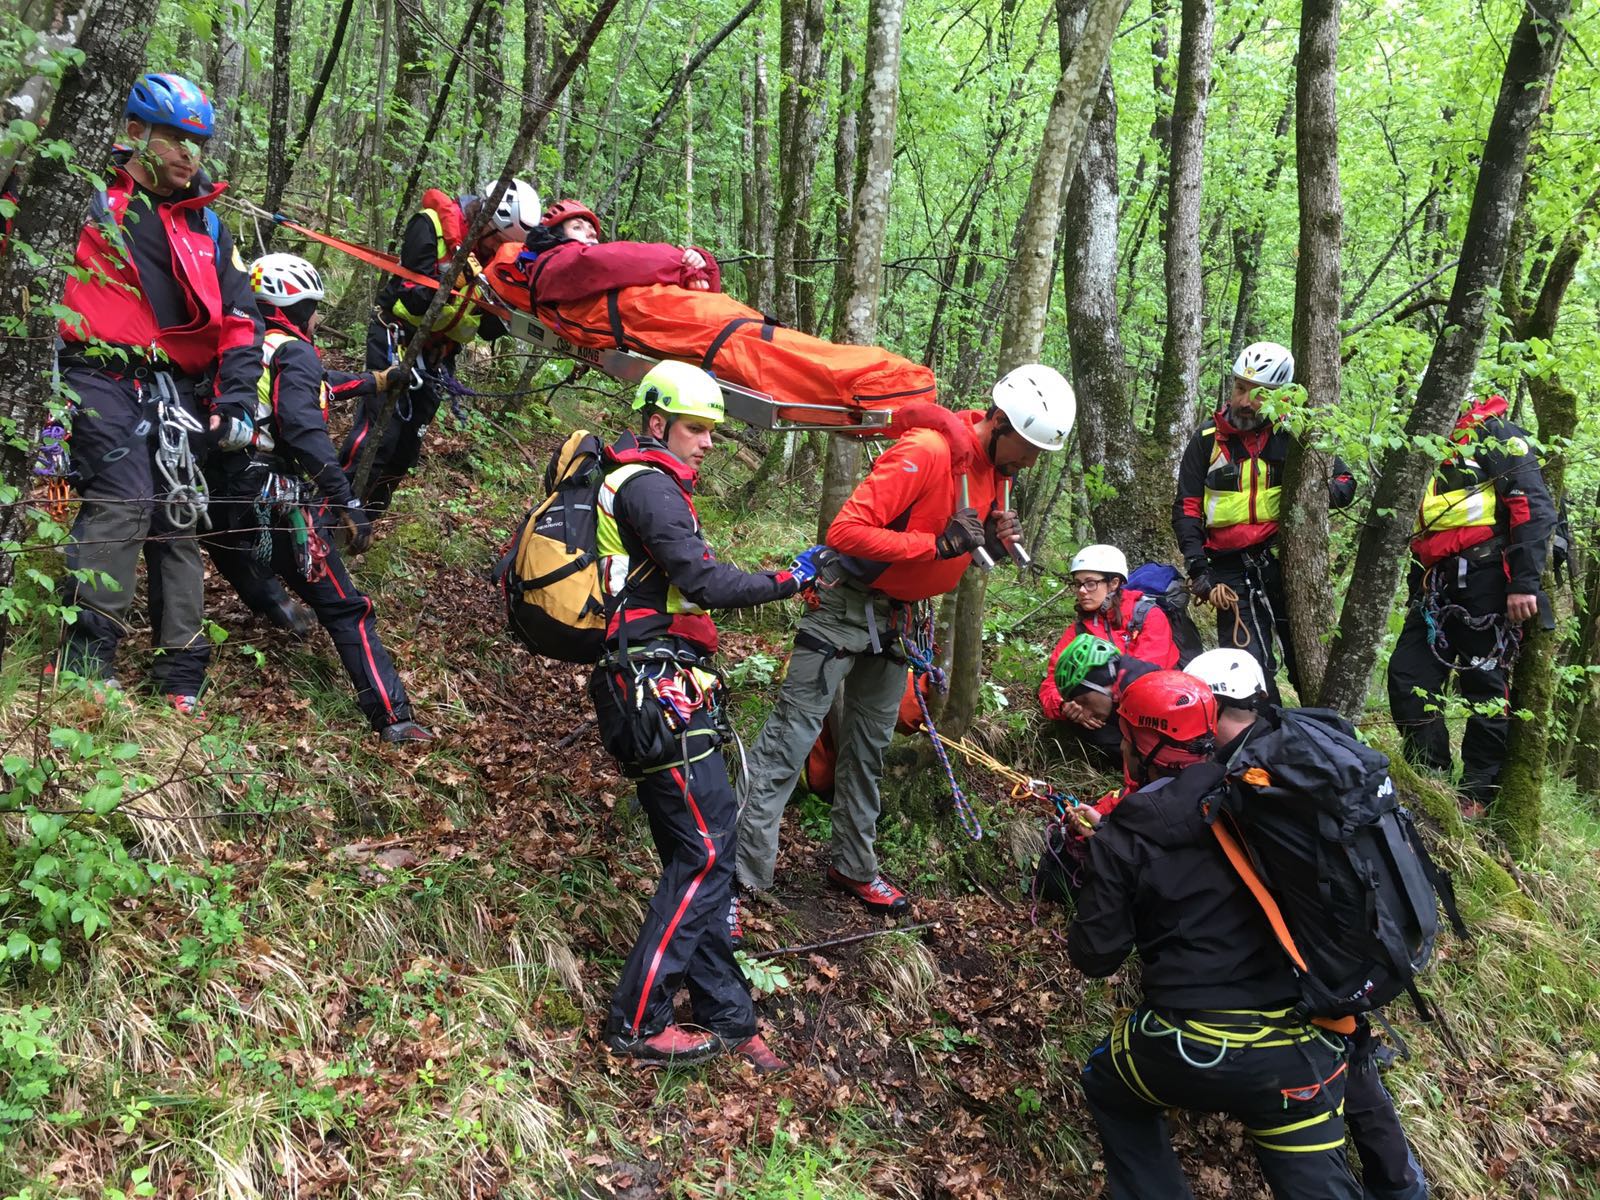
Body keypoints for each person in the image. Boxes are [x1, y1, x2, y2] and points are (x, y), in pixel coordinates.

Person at [733, 367, 1075, 922]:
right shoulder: (928, 451)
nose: (1032, 461)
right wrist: (937, 544)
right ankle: (741, 874)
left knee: (867, 747)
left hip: (896, 619)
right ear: (1001, 422)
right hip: (845, 606)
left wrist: (985, 536)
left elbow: (957, 533)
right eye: (1029, 447)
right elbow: (845, 533)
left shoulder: (994, 471)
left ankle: (853, 864)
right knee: (788, 741)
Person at [589, 359, 831, 1070]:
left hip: (662, 688)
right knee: (703, 850)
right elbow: (702, 580)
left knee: (704, 854)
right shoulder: (645, 487)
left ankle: (727, 1012)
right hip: (652, 689)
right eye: (698, 428)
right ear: (657, 424)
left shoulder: (653, 489)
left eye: (715, 431)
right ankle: (638, 1019)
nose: (709, 442)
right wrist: (793, 577)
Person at [1069, 669, 1362, 1200]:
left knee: (1108, 1085)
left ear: (1141, 739)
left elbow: (1095, 956)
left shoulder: (1127, 832)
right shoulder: (1263, 792)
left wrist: (1104, 864)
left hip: (1186, 1043)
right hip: (1304, 1047)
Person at [53, 73, 263, 713]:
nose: (187, 155)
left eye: (197, 143)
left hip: (176, 383)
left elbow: (238, 317)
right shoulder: (87, 200)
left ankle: (182, 670)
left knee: (179, 512)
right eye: (174, 139)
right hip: (95, 368)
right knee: (122, 501)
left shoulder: (206, 226)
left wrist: (236, 398)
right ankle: (89, 660)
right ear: (136, 133)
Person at [1191, 648, 1430, 1200]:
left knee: (1330, 1063)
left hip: (1322, 966)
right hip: (1370, 947)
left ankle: (1372, 1185)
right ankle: (1400, 1186)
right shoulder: (1299, 739)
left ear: (1211, 705)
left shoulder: (1252, 780)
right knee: (1354, 1048)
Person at [201, 253, 431, 743]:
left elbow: (313, 390)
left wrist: (374, 381)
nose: (317, 318)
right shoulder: (294, 352)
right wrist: (345, 501)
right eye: (313, 307)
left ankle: (274, 605)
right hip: (271, 498)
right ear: (296, 306)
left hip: (211, 489)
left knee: (232, 551)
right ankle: (395, 718)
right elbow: (302, 424)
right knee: (347, 608)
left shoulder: (234, 340)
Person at [486, 199, 937, 425]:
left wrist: (699, 264)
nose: (586, 232)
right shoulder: (553, 265)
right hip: (680, 326)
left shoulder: (587, 271)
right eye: (576, 225)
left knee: (772, 344)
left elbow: (635, 268)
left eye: (590, 227)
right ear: (552, 230)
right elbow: (608, 262)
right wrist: (678, 259)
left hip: (690, 318)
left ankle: (886, 388)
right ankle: (884, 389)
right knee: (767, 354)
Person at [1385, 391, 1556, 812]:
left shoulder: (1496, 436)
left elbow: (1532, 509)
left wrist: (1523, 585)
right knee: (1407, 677)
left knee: (1486, 688)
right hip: (1437, 585)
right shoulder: (1429, 450)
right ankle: (1430, 775)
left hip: (1487, 581)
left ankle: (1477, 793)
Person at [340, 179, 540, 515]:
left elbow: (489, 330)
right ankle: (339, 505)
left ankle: (368, 519)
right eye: (499, 242)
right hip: (397, 336)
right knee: (381, 434)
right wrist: (456, 280)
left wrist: (508, 302)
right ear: (488, 220)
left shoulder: (493, 258)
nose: (497, 251)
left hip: (437, 356)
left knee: (406, 450)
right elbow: (412, 299)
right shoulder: (429, 226)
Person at [1172, 341, 1356, 704]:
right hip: (1228, 571)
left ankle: (1318, 734)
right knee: (1246, 667)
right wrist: (1199, 572)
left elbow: (1346, 484)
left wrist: (1319, 498)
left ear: (1281, 397)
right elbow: (1187, 509)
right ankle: (1263, 740)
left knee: (1308, 661)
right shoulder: (1206, 441)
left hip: (1286, 562)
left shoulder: (1299, 436)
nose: (1244, 401)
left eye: (1258, 394)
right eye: (1240, 388)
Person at [1040, 543, 1178, 721]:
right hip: (1106, 714)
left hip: (1155, 709)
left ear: (1114, 583)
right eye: (1078, 584)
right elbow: (1053, 680)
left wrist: (1098, 697)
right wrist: (1063, 705)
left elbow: (1150, 675)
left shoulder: (1147, 615)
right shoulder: (1078, 631)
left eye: (1090, 583)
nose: (1081, 591)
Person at [1039, 633, 1158, 772]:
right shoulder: (1122, 686)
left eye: (1084, 701)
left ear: (1104, 684)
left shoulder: (1151, 696)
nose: (1085, 713)